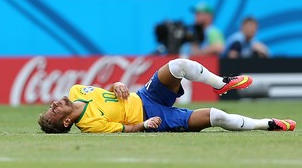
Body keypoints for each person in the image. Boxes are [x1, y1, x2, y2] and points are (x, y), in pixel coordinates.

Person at [38, 58, 296, 133]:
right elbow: (124, 130)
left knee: (178, 65)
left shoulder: (75, 91)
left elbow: (107, 92)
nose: (53, 104)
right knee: (216, 116)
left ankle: (221, 83)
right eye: (53, 111)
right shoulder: (90, 125)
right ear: (65, 122)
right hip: (154, 115)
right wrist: (144, 125)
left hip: (144, 95)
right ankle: (267, 123)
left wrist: (117, 83)